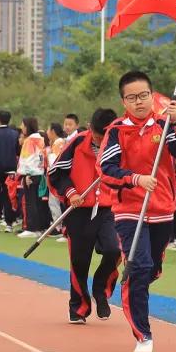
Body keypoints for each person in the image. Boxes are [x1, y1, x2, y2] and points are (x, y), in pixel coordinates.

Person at [99, 71, 176, 352]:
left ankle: (135, 279)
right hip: (130, 211)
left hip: (163, 209)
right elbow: (106, 169)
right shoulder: (117, 131)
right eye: (132, 97)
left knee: (151, 268)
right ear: (124, 101)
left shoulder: (164, 124)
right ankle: (143, 333)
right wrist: (135, 179)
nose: (139, 102)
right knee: (139, 269)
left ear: (152, 96)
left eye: (144, 95)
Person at [49, 107, 120, 324]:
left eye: (105, 136)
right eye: (98, 136)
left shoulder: (118, 145)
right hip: (78, 210)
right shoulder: (77, 143)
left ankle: (101, 289)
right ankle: (79, 306)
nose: (100, 141)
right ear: (90, 128)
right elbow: (56, 173)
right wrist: (71, 193)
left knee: (114, 250)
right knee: (79, 261)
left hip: (107, 209)